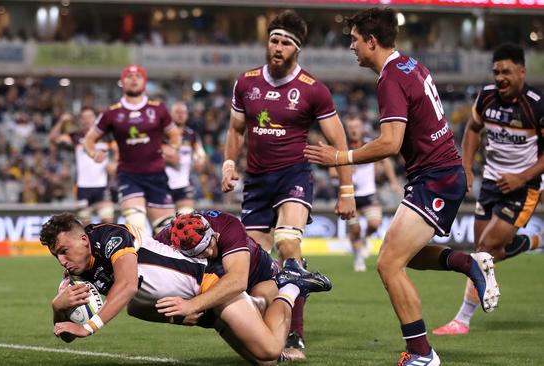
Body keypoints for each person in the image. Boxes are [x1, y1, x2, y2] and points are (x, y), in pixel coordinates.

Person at [303, 8, 500, 365]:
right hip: (438, 174)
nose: (352, 47)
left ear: (372, 41)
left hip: (436, 178)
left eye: (355, 40)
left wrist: (340, 157)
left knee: (388, 264)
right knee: (402, 258)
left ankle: (423, 355)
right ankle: (469, 263)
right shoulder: (412, 65)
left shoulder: (390, 78)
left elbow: (391, 143)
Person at [221, 10, 355, 358]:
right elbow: (236, 129)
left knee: (287, 242)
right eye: (274, 40)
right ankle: (265, 331)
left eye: (285, 42)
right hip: (256, 182)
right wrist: (229, 163)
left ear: (298, 49)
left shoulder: (313, 90)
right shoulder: (246, 82)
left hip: (294, 176)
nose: (277, 47)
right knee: (251, 262)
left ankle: (295, 335)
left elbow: (339, 141)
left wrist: (346, 189)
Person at [41, 212, 332, 364]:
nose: (62, 261)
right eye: (56, 256)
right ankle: (252, 308)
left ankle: (291, 283)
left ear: (82, 240)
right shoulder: (76, 276)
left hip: (207, 284)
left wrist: (90, 326)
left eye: (64, 251)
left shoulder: (109, 237)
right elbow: (69, 333)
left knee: (268, 350)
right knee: (267, 362)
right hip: (192, 304)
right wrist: (58, 310)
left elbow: (128, 285)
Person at [433, 43, 544, 336]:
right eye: (496, 72)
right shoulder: (486, 97)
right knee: (484, 252)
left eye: (506, 71)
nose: (500, 77)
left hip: (524, 187)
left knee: (484, 251)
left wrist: (522, 178)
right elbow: (472, 130)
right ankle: (534, 242)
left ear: (522, 71)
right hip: (491, 183)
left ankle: (462, 319)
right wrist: (467, 168)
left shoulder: (537, 105)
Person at [84, 65, 181, 235]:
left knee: (166, 233)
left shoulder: (159, 109)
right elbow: (89, 140)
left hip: (157, 176)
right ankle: (139, 262)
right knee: (137, 227)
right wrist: (93, 153)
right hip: (129, 176)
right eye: (129, 76)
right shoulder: (112, 113)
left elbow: (175, 134)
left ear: (144, 81)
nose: (133, 79)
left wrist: (173, 148)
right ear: (122, 82)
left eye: (138, 76)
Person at [153, 210, 283, 317]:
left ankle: (290, 278)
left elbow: (238, 281)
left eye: (209, 244)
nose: (209, 252)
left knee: (256, 308)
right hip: (219, 276)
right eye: (201, 252)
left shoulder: (227, 224)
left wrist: (191, 305)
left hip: (259, 272)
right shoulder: (164, 243)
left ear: (212, 232)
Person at [343, 115, 402, 272]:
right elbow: (332, 172)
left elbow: (386, 160)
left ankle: (364, 239)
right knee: (354, 228)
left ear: (362, 128)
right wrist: (345, 170)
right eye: (351, 127)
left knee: (375, 224)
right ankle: (358, 258)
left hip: (369, 193)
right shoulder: (342, 145)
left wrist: (393, 181)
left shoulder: (370, 144)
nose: (354, 130)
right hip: (350, 195)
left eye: (356, 126)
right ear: (347, 129)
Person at [49, 107, 117, 225]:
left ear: (95, 119)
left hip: (103, 185)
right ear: (80, 120)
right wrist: (61, 122)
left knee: (107, 221)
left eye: (89, 117)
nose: (87, 120)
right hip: (82, 187)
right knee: (85, 224)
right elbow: (53, 139)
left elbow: (118, 150)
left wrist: (114, 163)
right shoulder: (75, 136)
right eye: (83, 118)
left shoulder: (106, 136)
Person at [163, 102, 206, 215]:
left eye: (183, 112)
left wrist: (200, 161)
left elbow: (200, 154)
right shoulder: (161, 134)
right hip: (162, 184)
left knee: (186, 220)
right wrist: (166, 158)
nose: (180, 115)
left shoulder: (191, 135)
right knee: (164, 225)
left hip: (183, 185)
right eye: (177, 112)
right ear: (170, 114)